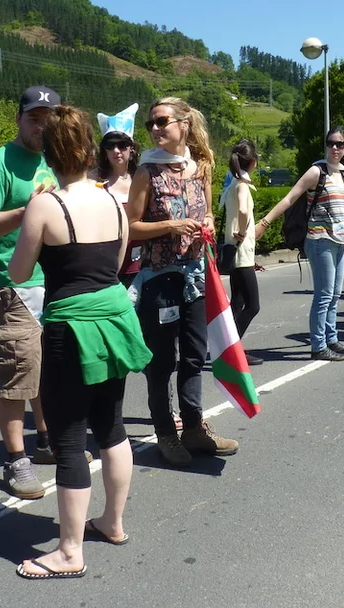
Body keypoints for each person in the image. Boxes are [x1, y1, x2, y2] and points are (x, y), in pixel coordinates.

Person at [9, 105, 152, 580]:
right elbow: (117, 261)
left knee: (69, 438)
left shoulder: (46, 204)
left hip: (70, 326)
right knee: (111, 425)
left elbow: (19, 272)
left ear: (49, 154)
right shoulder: (112, 199)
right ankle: (112, 522)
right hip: (114, 317)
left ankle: (69, 551)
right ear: (91, 151)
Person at [0, 86, 91, 500]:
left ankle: (46, 440)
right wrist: (28, 212)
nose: (41, 126)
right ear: (18, 119)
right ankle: (15, 458)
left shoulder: (58, 162)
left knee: (48, 371)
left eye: (48, 118)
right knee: (17, 372)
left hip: (58, 283)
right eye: (34, 118)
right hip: (14, 286)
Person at [127, 97, 238, 468]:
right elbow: (130, 227)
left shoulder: (201, 167)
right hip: (160, 280)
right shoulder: (147, 171)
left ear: (184, 124)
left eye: (162, 121)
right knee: (162, 362)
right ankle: (165, 434)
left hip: (195, 277)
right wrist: (170, 225)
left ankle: (193, 428)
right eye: (151, 124)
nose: (155, 129)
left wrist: (208, 223)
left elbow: (209, 214)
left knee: (193, 355)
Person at [256, 127, 344, 360]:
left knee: (335, 294)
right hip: (319, 239)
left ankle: (331, 339)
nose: (335, 148)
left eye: (340, 144)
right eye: (331, 143)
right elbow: (290, 198)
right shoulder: (316, 171)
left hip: (341, 240)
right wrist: (264, 223)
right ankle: (318, 346)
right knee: (324, 294)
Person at [221, 139, 262, 365]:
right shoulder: (242, 185)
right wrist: (244, 230)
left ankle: (227, 348)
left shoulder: (233, 184)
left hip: (233, 249)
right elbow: (244, 210)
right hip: (242, 252)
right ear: (253, 162)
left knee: (236, 304)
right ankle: (231, 351)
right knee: (252, 305)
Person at [93, 104, 142, 287]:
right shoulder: (92, 180)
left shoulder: (142, 177)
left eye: (122, 145)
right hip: (104, 264)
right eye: (110, 145)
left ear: (132, 148)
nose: (116, 151)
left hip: (139, 264)